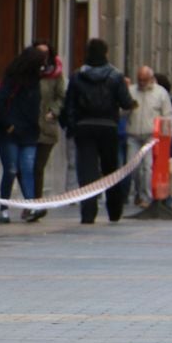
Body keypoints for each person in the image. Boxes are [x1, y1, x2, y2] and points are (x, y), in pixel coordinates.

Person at [61, 38, 133, 224]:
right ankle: (114, 210)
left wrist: (71, 126)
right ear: (106, 53)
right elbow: (125, 102)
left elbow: (69, 104)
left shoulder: (77, 76)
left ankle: (88, 213)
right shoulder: (115, 76)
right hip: (108, 126)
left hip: (84, 127)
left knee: (87, 171)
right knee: (111, 169)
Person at [0, 47, 44, 223]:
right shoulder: (12, 81)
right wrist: (9, 125)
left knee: (27, 168)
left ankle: (30, 206)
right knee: (11, 169)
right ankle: (4, 208)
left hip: (29, 132)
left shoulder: (36, 82)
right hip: (8, 132)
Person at [126, 65, 172, 207]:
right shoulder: (131, 91)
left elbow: (168, 115)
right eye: (139, 80)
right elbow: (121, 111)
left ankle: (145, 197)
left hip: (151, 136)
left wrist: (168, 134)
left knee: (148, 167)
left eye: (144, 80)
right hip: (133, 134)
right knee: (132, 167)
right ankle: (138, 191)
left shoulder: (161, 93)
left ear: (151, 79)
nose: (141, 83)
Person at [32, 39, 64, 216]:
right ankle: (31, 202)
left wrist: (54, 111)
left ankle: (36, 203)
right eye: (39, 53)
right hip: (28, 125)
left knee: (38, 166)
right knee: (25, 167)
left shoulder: (56, 74)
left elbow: (61, 96)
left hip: (47, 127)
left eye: (45, 54)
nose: (43, 58)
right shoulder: (27, 72)